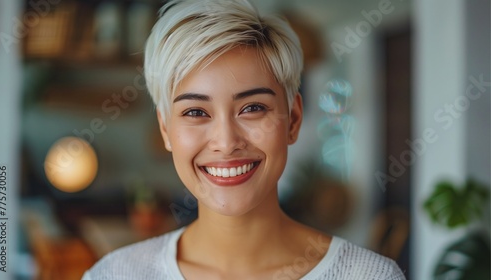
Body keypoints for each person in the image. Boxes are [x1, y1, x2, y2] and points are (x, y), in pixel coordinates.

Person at [82, 0, 406, 279]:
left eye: (252, 108)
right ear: (166, 129)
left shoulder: (370, 275)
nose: (226, 142)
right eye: (196, 112)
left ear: (292, 119)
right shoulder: (114, 274)